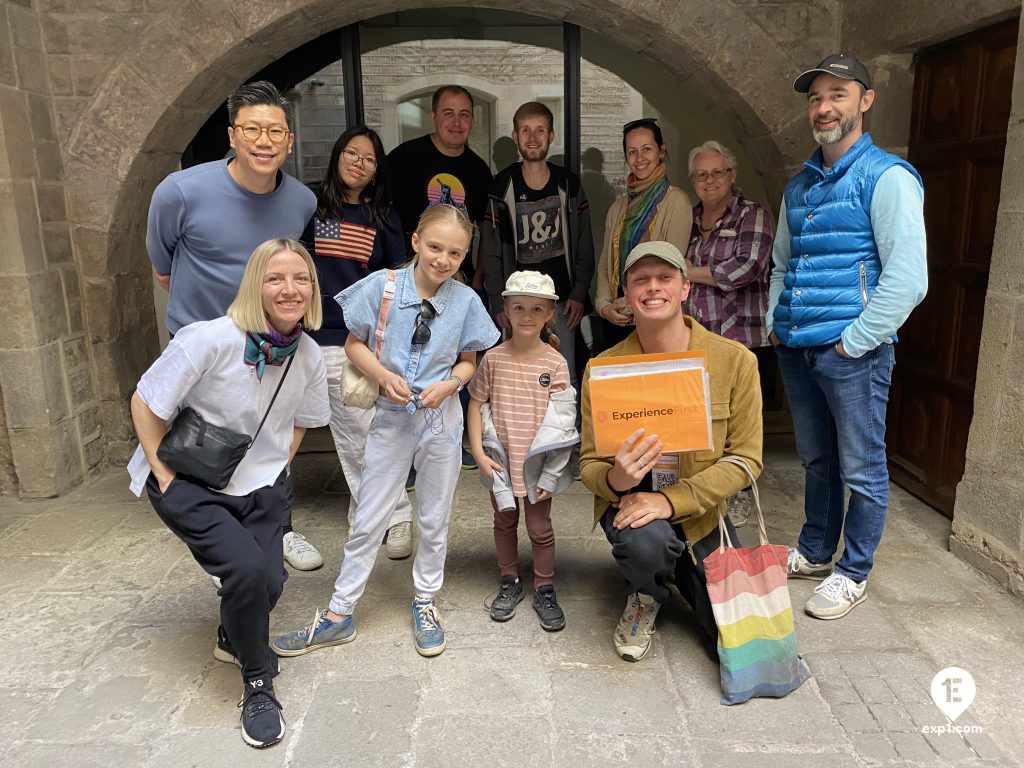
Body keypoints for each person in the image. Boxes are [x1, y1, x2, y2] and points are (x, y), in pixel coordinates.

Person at [273, 204, 500, 659]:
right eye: (435, 247)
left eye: (455, 253)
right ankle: (339, 612)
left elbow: (471, 359)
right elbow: (353, 342)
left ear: (464, 256)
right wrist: (382, 375)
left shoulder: (467, 302)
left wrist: (452, 383)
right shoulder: (381, 287)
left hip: (441, 420)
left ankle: (425, 599)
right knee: (370, 514)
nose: (443, 259)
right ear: (415, 242)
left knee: (435, 517)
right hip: (392, 418)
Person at [127, 238, 329, 748]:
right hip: (190, 480)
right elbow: (145, 402)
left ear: (313, 288)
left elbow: (303, 422)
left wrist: (277, 468)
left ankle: (231, 634)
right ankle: (258, 684)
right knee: (243, 571)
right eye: (275, 278)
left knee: (271, 584)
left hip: (258, 484)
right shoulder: (210, 339)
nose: (290, 289)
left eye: (300, 278)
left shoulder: (306, 354)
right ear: (255, 285)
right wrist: (164, 476)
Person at [767, 54, 927, 620]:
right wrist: (775, 321)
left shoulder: (886, 178)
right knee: (817, 460)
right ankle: (815, 551)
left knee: (861, 466)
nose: (824, 106)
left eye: (837, 94)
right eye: (815, 98)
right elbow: (782, 263)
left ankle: (853, 570)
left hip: (851, 352)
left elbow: (908, 280)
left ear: (865, 100)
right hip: (797, 345)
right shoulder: (800, 186)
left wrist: (853, 342)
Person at [146, 80, 321, 571]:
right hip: (203, 345)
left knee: (271, 436)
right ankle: (223, 541)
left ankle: (274, 532)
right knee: (203, 445)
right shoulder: (179, 192)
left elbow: (288, 268)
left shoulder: (301, 201)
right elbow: (163, 266)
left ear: (289, 140)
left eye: (275, 131)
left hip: (269, 347)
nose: (263, 141)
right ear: (232, 135)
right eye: (252, 130)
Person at [580, 241, 762, 663]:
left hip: (701, 511)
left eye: (665, 278)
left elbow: (746, 459)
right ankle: (646, 592)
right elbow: (589, 462)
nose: (652, 288)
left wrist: (669, 500)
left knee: (736, 646)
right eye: (640, 280)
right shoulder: (602, 369)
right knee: (647, 543)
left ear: (685, 289)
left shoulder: (735, 362)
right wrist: (615, 479)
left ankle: (679, 566)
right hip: (632, 506)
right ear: (626, 294)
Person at [303, 126, 415, 560]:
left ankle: (380, 513)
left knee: (366, 429)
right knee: (357, 430)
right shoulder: (311, 207)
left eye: (368, 159)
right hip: (318, 335)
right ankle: (388, 514)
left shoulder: (383, 216)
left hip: (362, 338)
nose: (358, 163)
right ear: (337, 156)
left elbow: (395, 280)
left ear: (376, 170)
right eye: (351, 153)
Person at [387, 84, 494, 472]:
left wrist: (477, 278)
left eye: (464, 114)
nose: (456, 121)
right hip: (408, 279)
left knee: (455, 358)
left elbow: (484, 228)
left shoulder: (480, 171)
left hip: (457, 280)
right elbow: (384, 215)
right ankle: (405, 457)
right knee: (407, 361)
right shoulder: (404, 159)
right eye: (448, 113)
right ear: (433, 116)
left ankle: (451, 441)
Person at [467, 271, 579, 631]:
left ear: (549, 313)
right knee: (504, 520)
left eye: (536, 308)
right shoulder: (493, 360)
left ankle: (544, 586)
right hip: (502, 460)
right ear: (506, 311)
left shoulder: (555, 364)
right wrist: (478, 453)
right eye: (519, 307)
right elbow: (475, 403)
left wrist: (551, 473)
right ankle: (509, 579)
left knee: (539, 527)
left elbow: (563, 423)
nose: (527, 315)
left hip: (536, 464)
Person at [684, 140, 774, 526]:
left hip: (740, 341)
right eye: (702, 174)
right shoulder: (689, 219)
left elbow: (745, 269)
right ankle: (706, 491)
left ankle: (736, 497)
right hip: (696, 339)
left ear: (732, 174)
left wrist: (689, 272)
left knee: (736, 425)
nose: (710, 180)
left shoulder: (752, 215)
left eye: (717, 172)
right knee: (702, 420)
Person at [594, 118, 692, 352]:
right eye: (632, 152)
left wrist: (632, 308)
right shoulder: (617, 208)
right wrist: (604, 306)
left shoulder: (676, 202)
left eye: (647, 149)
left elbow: (671, 269)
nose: (640, 158)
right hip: (616, 320)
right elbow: (604, 267)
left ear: (661, 151)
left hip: (656, 319)